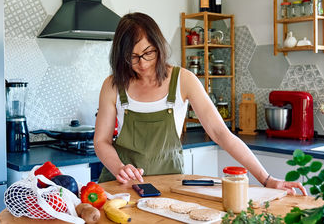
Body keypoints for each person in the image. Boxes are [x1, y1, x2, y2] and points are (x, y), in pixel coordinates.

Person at [94, 12, 307, 195]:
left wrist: (267, 180)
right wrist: (119, 168)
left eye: (148, 53)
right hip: (119, 186)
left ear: (158, 45)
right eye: (132, 57)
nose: (142, 63)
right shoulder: (113, 85)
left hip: (169, 187)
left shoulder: (183, 80)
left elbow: (221, 134)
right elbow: (101, 140)